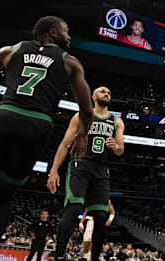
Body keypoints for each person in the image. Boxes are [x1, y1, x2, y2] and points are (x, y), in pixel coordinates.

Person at [0, 16, 93, 261]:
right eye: (65, 31)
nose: (69, 36)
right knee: (4, 197)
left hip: (5, 116)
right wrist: (82, 135)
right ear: (51, 32)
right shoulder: (69, 62)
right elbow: (87, 109)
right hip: (37, 126)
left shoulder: (12, 49)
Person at [48, 86, 125, 261]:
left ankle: (94, 258)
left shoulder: (117, 121)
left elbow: (121, 150)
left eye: (109, 92)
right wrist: (53, 171)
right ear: (93, 96)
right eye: (103, 91)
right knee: (74, 208)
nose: (107, 93)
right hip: (80, 165)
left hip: (101, 169)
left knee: (100, 215)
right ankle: (59, 256)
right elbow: (64, 144)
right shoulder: (81, 117)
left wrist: (116, 147)